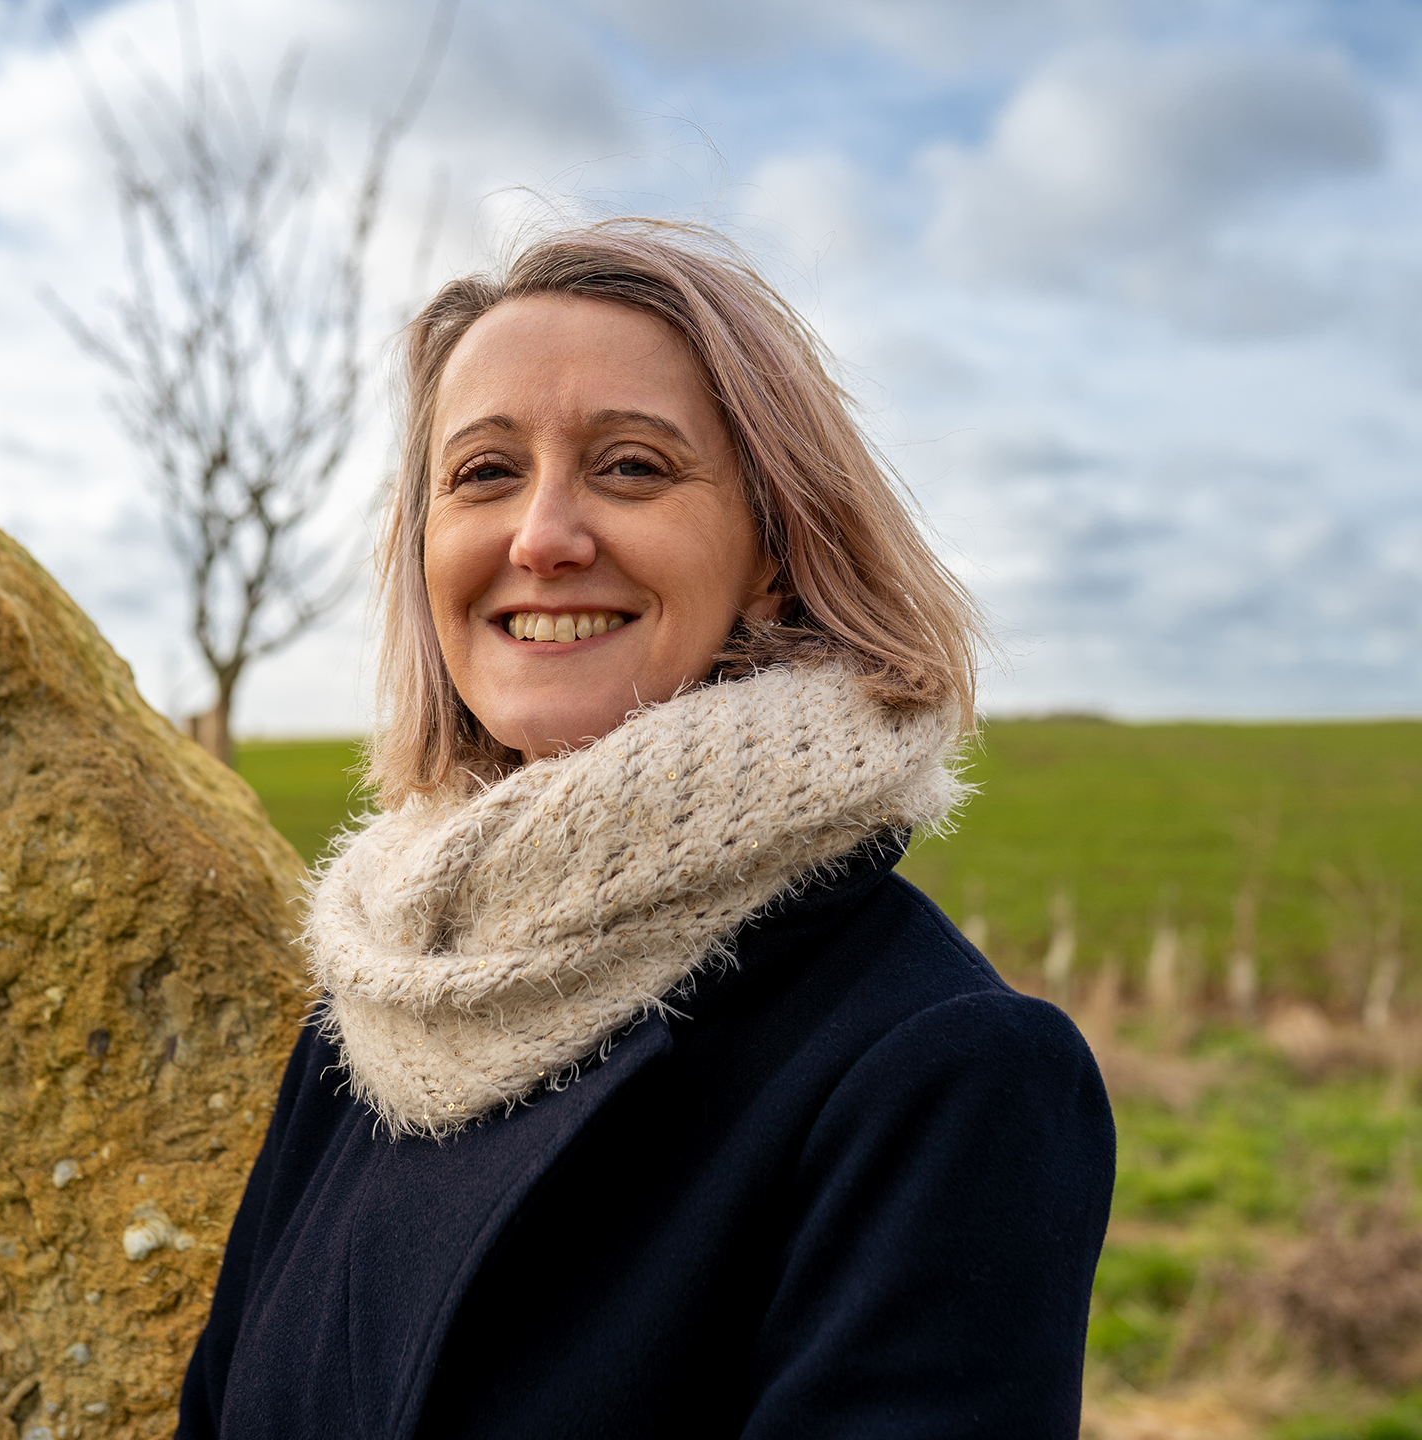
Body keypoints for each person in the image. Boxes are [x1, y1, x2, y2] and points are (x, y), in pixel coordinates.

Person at [178, 219, 1114, 1439]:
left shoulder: (945, 1075)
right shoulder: (374, 1003)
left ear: (775, 551)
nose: (542, 537)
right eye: (484, 473)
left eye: (630, 467)